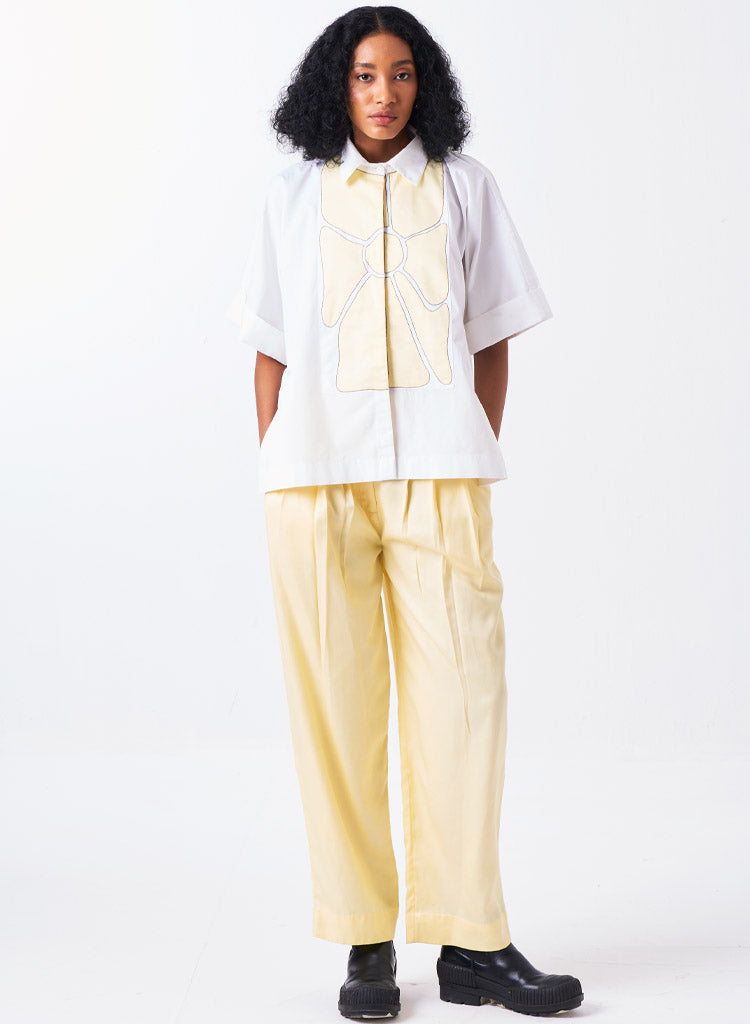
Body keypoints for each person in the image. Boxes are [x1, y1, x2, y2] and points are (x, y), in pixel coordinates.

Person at [226, 6, 584, 1020]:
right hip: (314, 483)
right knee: (336, 713)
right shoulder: (291, 194)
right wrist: (278, 460)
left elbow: (492, 333)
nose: (384, 93)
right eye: (364, 75)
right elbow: (269, 345)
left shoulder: (466, 186)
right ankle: (367, 942)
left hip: (440, 477)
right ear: (335, 85)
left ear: (425, 84)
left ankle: (473, 943)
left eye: (402, 73)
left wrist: (467, 441)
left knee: (466, 704)